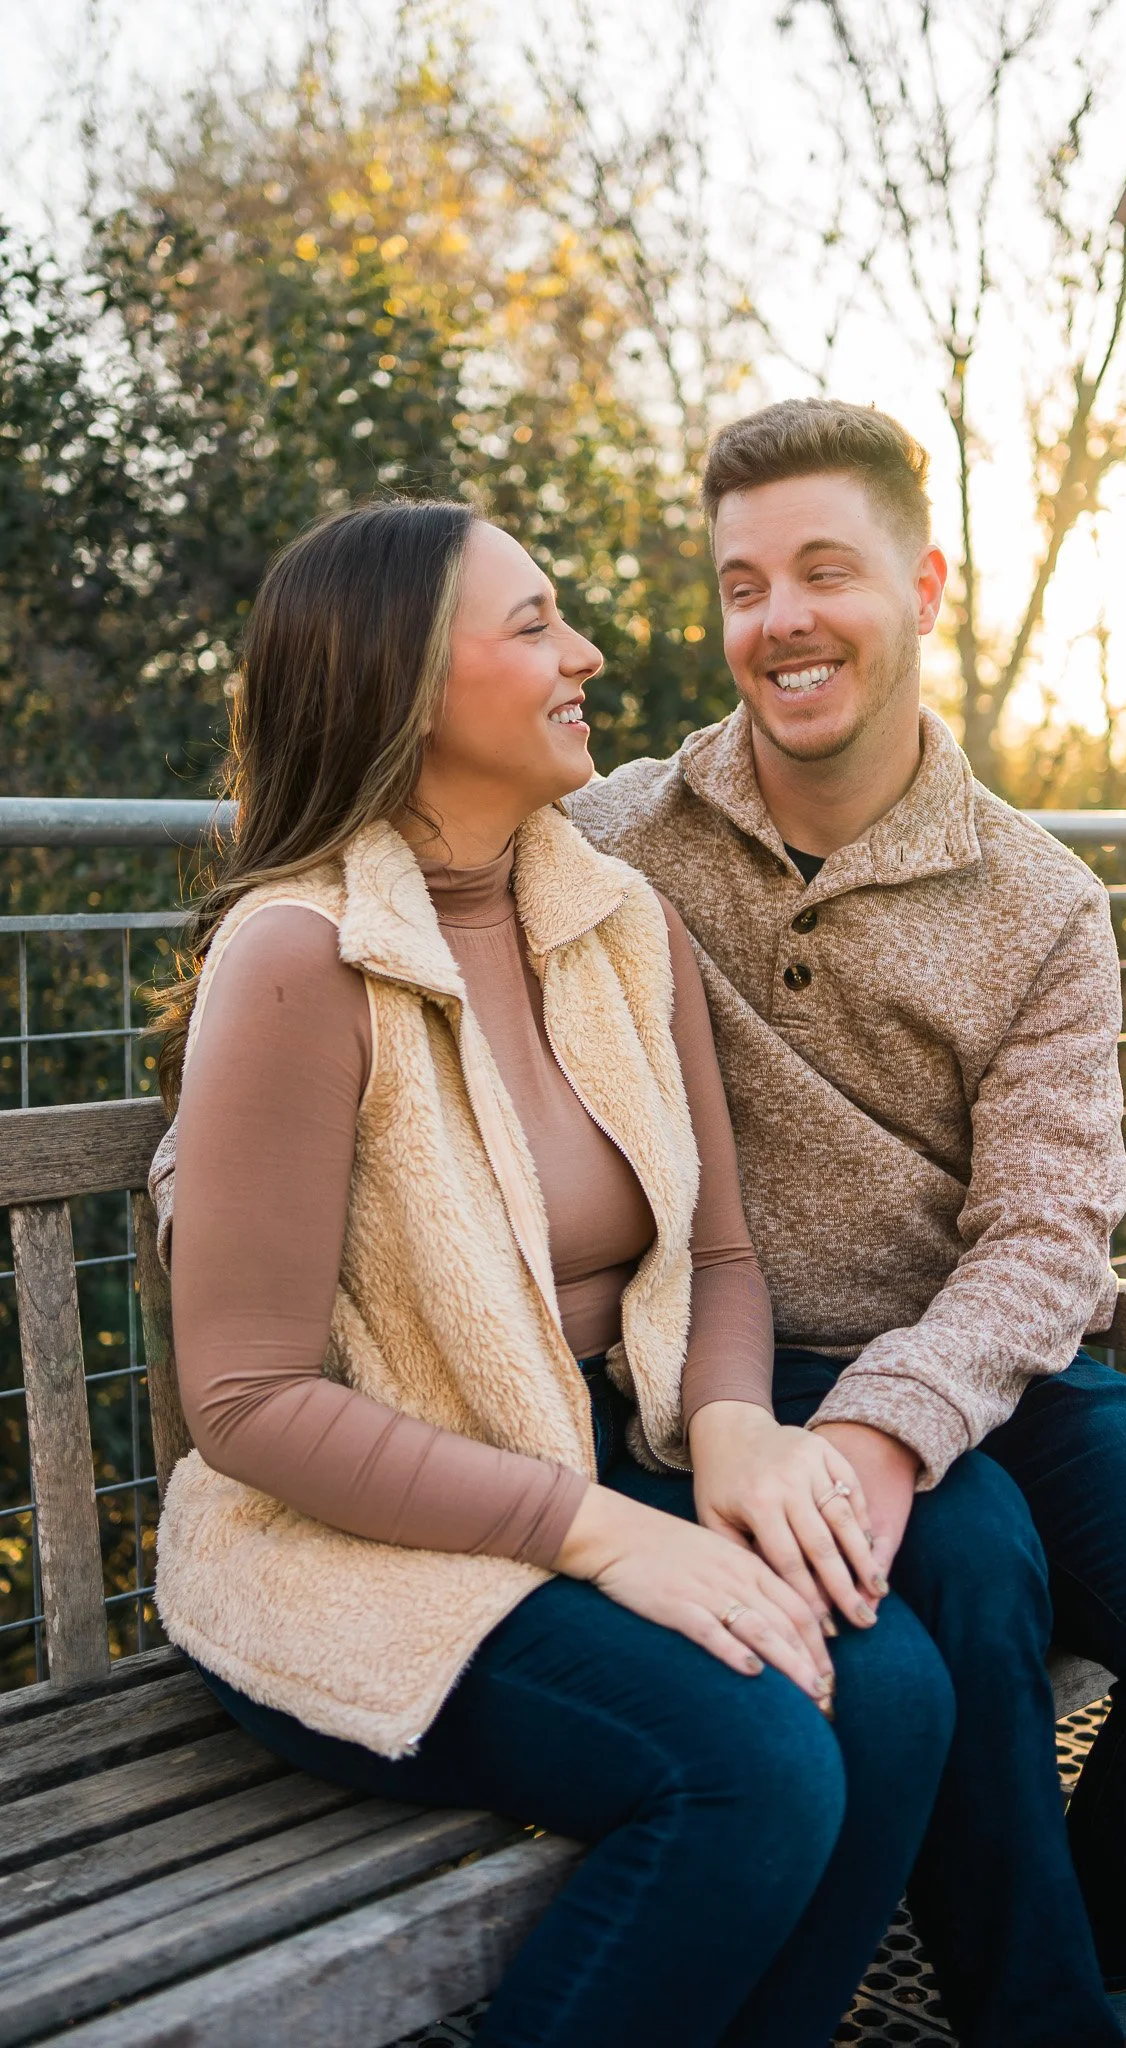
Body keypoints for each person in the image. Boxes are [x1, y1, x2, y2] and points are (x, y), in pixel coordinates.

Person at [567, 398, 1126, 2048]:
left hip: (978, 1358)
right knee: (970, 1588)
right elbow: (392, 862)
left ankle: (1115, 1963)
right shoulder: (620, 835)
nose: (780, 622)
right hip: (726, 1362)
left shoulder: (1041, 898)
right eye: (743, 584)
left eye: (823, 571)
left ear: (927, 584)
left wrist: (901, 1424)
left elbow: (1050, 1237)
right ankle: (1033, 2014)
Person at [147, 497, 955, 2048]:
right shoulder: (299, 957)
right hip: (356, 1542)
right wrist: (591, 1535)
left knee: (903, 1697)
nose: (584, 651)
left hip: (598, 1458)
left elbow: (717, 1247)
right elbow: (245, 1401)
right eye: (532, 625)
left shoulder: (613, 920)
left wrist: (728, 1427)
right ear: (400, 684)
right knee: (756, 1762)